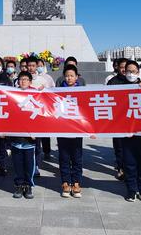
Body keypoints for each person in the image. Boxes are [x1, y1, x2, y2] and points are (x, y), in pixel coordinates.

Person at [118, 60, 141, 203]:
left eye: (134, 71)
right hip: (126, 131)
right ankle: (131, 190)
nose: (131, 73)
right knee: (129, 162)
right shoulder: (118, 87)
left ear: (138, 72)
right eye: (128, 71)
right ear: (124, 72)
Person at [57, 65, 83, 198]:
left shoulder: (82, 91)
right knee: (64, 157)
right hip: (62, 130)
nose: (69, 78)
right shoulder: (58, 90)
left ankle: (77, 183)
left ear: (77, 77)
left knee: (77, 157)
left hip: (77, 130)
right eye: (67, 75)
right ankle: (65, 182)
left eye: (72, 75)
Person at [11, 71, 36, 199]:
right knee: (17, 164)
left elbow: (40, 116)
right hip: (16, 138)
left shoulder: (36, 95)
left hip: (29, 139)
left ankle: (28, 185)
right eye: (21, 79)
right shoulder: (12, 95)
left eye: (26, 79)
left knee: (29, 164)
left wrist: (36, 133)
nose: (23, 81)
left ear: (30, 82)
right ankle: (19, 185)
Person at [107, 58, 128, 180]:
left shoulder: (136, 81)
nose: (124, 69)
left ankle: (129, 168)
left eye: (127, 67)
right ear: (117, 68)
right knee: (119, 146)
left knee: (130, 146)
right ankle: (121, 168)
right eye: (122, 67)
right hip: (118, 119)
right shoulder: (113, 82)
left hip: (131, 119)